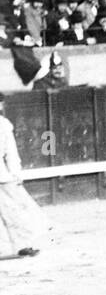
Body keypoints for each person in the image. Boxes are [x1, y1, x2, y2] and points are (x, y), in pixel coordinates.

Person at [0, 93, 46, 257]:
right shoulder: (3, 124)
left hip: (3, 177)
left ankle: (23, 245)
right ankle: (22, 244)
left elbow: (11, 153)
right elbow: (11, 153)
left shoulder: (4, 125)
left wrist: (15, 173)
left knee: (15, 210)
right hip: (3, 177)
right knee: (14, 210)